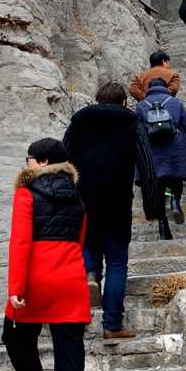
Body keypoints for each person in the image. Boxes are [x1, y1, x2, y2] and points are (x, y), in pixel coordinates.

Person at [2, 138, 89, 371]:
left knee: (14, 335)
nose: (26, 164)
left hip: (36, 279)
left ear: (41, 162)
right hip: (69, 277)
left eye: (29, 159)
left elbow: (20, 243)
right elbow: (80, 239)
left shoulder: (26, 194)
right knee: (70, 357)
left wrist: (16, 288)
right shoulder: (77, 194)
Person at [63, 81, 160, 339]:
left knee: (88, 249)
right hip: (117, 204)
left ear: (97, 100)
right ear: (125, 102)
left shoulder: (78, 123)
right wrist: (152, 207)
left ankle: (90, 276)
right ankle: (112, 324)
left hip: (82, 203)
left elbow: (63, 162)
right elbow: (148, 167)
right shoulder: (131, 123)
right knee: (117, 262)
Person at [135, 77, 186, 239]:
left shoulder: (141, 105)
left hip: (152, 150)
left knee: (158, 187)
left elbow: (138, 129)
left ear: (149, 89)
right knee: (176, 179)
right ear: (165, 87)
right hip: (175, 146)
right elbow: (185, 125)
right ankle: (175, 201)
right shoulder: (175, 102)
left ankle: (163, 225)